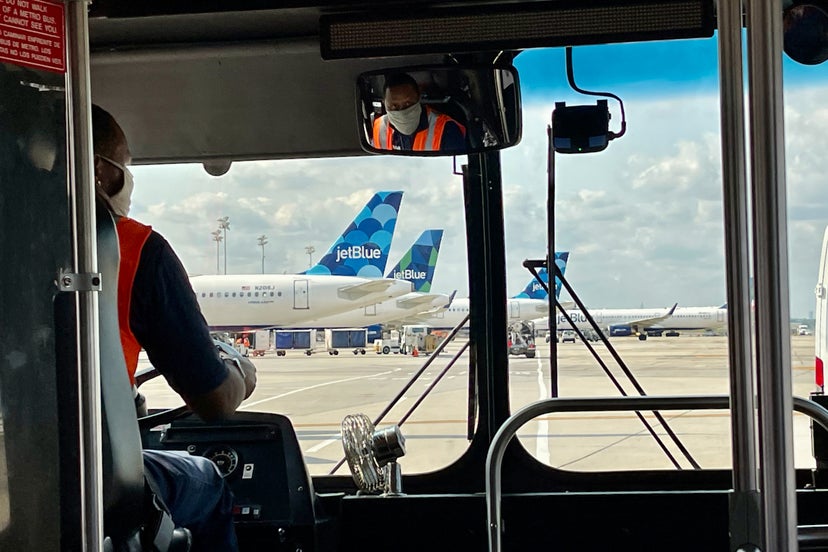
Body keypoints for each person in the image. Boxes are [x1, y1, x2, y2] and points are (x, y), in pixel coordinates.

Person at [92, 104, 257, 551]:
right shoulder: (132, 248)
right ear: (99, 172)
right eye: (123, 166)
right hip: (85, 482)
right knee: (206, 477)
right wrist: (239, 370)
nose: (126, 178)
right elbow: (216, 403)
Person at [372, 73, 466, 152]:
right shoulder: (378, 128)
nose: (402, 111)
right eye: (394, 106)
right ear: (384, 103)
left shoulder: (447, 129)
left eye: (408, 104)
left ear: (418, 98)